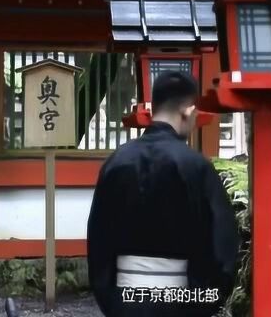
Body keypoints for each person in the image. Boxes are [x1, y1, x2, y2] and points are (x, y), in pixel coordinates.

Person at [87, 70, 240, 317]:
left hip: (124, 300)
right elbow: (222, 246)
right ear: (188, 111)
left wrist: (112, 300)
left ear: (153, 107)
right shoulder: (197, 166)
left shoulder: (116, 163)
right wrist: (201, 302)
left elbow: (98, 242)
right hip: (182, 302)